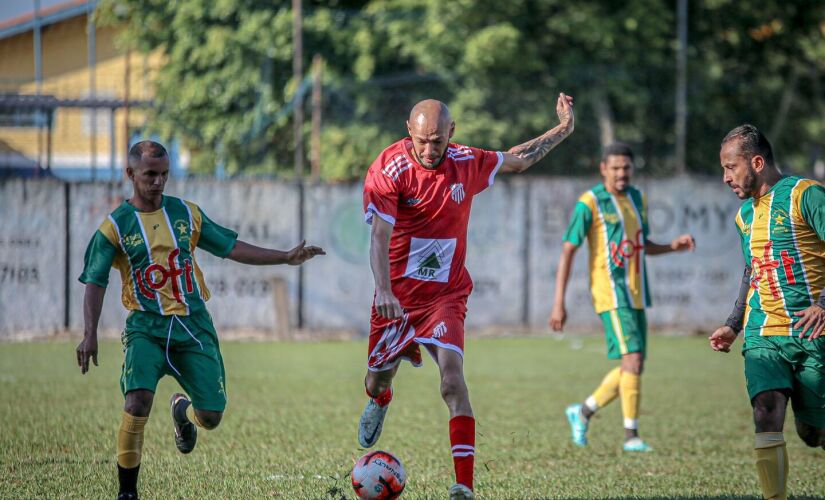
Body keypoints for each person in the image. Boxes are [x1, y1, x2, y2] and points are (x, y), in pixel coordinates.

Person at [75, 141, 324, 500]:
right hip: (146, 328)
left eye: (163, 175)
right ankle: (126, 493)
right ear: (130, 175)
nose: (158, 182)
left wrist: (285, 257)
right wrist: (89, 334)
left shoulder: (185, 214)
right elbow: (96, 281)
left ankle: (183, 411)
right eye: (149, 175)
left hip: (194, 327)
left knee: (211, 416)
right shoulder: (114, 227)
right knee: (137, 402)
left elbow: (230, 246)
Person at [358, 94, 574, 499]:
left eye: (437, 141)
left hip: (447, 296)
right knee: (374, 381)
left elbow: (518, 159)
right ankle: (382, 397)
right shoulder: (389, 168)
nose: (428, 149)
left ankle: (464, 486)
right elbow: (379, 236)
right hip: (398, 299)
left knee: (453, 382)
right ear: (409, 130)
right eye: (421, 140)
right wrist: (383, 288)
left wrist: (563, 129)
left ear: (451, 134)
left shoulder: (465, 162)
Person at [550, 142, 695, 452]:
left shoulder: (636, 198)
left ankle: (583, 411)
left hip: (637, 292)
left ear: (632, 169)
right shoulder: (589, 203)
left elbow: (643, 245)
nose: (621, 173)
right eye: (615, 168)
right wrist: (558, 302)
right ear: (603, 168)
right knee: (632, 359)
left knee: (635, 364)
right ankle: (631, 437)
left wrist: (673, 246)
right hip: (610, 292)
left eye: (626, 168)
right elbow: (568, 250)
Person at [709, 124, 824, 500]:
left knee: (813, 432)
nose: (726, 177)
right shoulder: (744, 216)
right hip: (764, 332)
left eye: (731, 167)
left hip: (812, 335)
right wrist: (733, 324)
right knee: (766, 412)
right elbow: (751, 270)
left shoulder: (806, 196)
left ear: (756, 162)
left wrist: (823, 304)